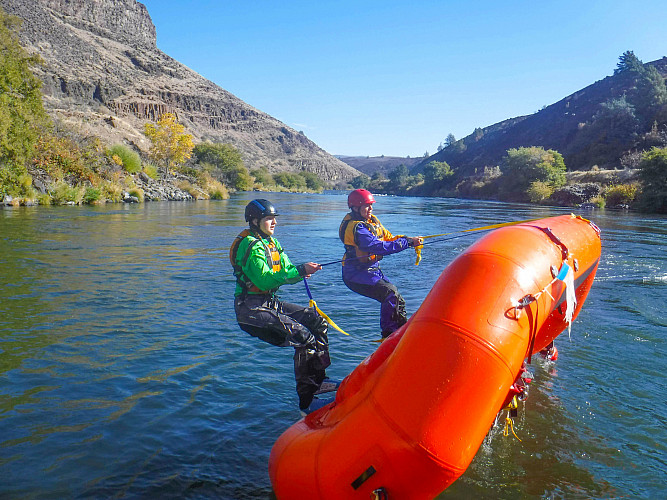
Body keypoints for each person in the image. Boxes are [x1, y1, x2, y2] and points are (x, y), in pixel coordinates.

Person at [231, 199, 337, 415]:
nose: (274, 223)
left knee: (318, 322)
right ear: (254, 220)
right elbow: (264, 281)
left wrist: (302, 270)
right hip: (250, 310)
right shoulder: (250, 245)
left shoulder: (272, 243)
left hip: (269, 304)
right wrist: (298, 270)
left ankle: (319, 380)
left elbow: (287, 268)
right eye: (269, 219)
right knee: (303, 337)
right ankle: (307, 402)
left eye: (274, 219)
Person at [339, 189, 423, 338]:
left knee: (398, 299)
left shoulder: (372, 222)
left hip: (371, 271)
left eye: (371, 205)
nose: (370, 209)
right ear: (355, 208)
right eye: (366, 206)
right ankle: (388, 336)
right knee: (389, 294)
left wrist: (407, 239)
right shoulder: (357, 228)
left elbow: (388, 239)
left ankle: (402, 333)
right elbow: (377, 247)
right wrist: (407, 243)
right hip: (355, 275)